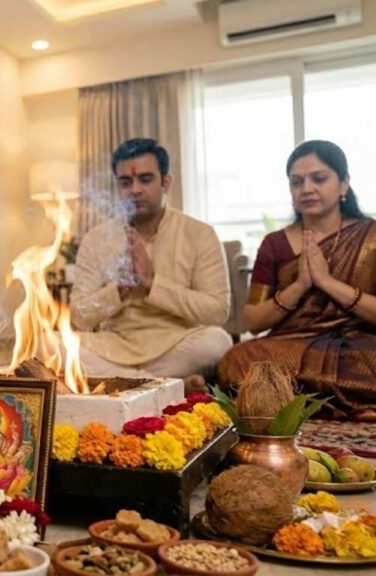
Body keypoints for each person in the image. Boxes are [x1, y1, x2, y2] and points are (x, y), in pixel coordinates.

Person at [218, 141, 376, 421]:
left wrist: (327, 282)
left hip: (358, 348)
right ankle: (354, 407)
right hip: (293, 347)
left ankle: (290, 404)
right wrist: (300, 285)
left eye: (319, 178)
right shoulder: (275, 244)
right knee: (236, 362)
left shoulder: (371, 237)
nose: (307, 189)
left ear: (343, 184)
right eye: (296, 182)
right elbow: (253, 322)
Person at [71, 138, 232, 391]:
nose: (135, 189)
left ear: (165, 182)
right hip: (116, 344)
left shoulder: (200, 233)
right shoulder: (97, 239)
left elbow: (217, 311)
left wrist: (152, 284)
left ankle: (130, 385)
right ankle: (164, 386)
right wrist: (121, 288)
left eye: (145, 179)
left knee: (217, 342)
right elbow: (79, 317)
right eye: (126, 182)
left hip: (176, 342)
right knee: (52, 345)